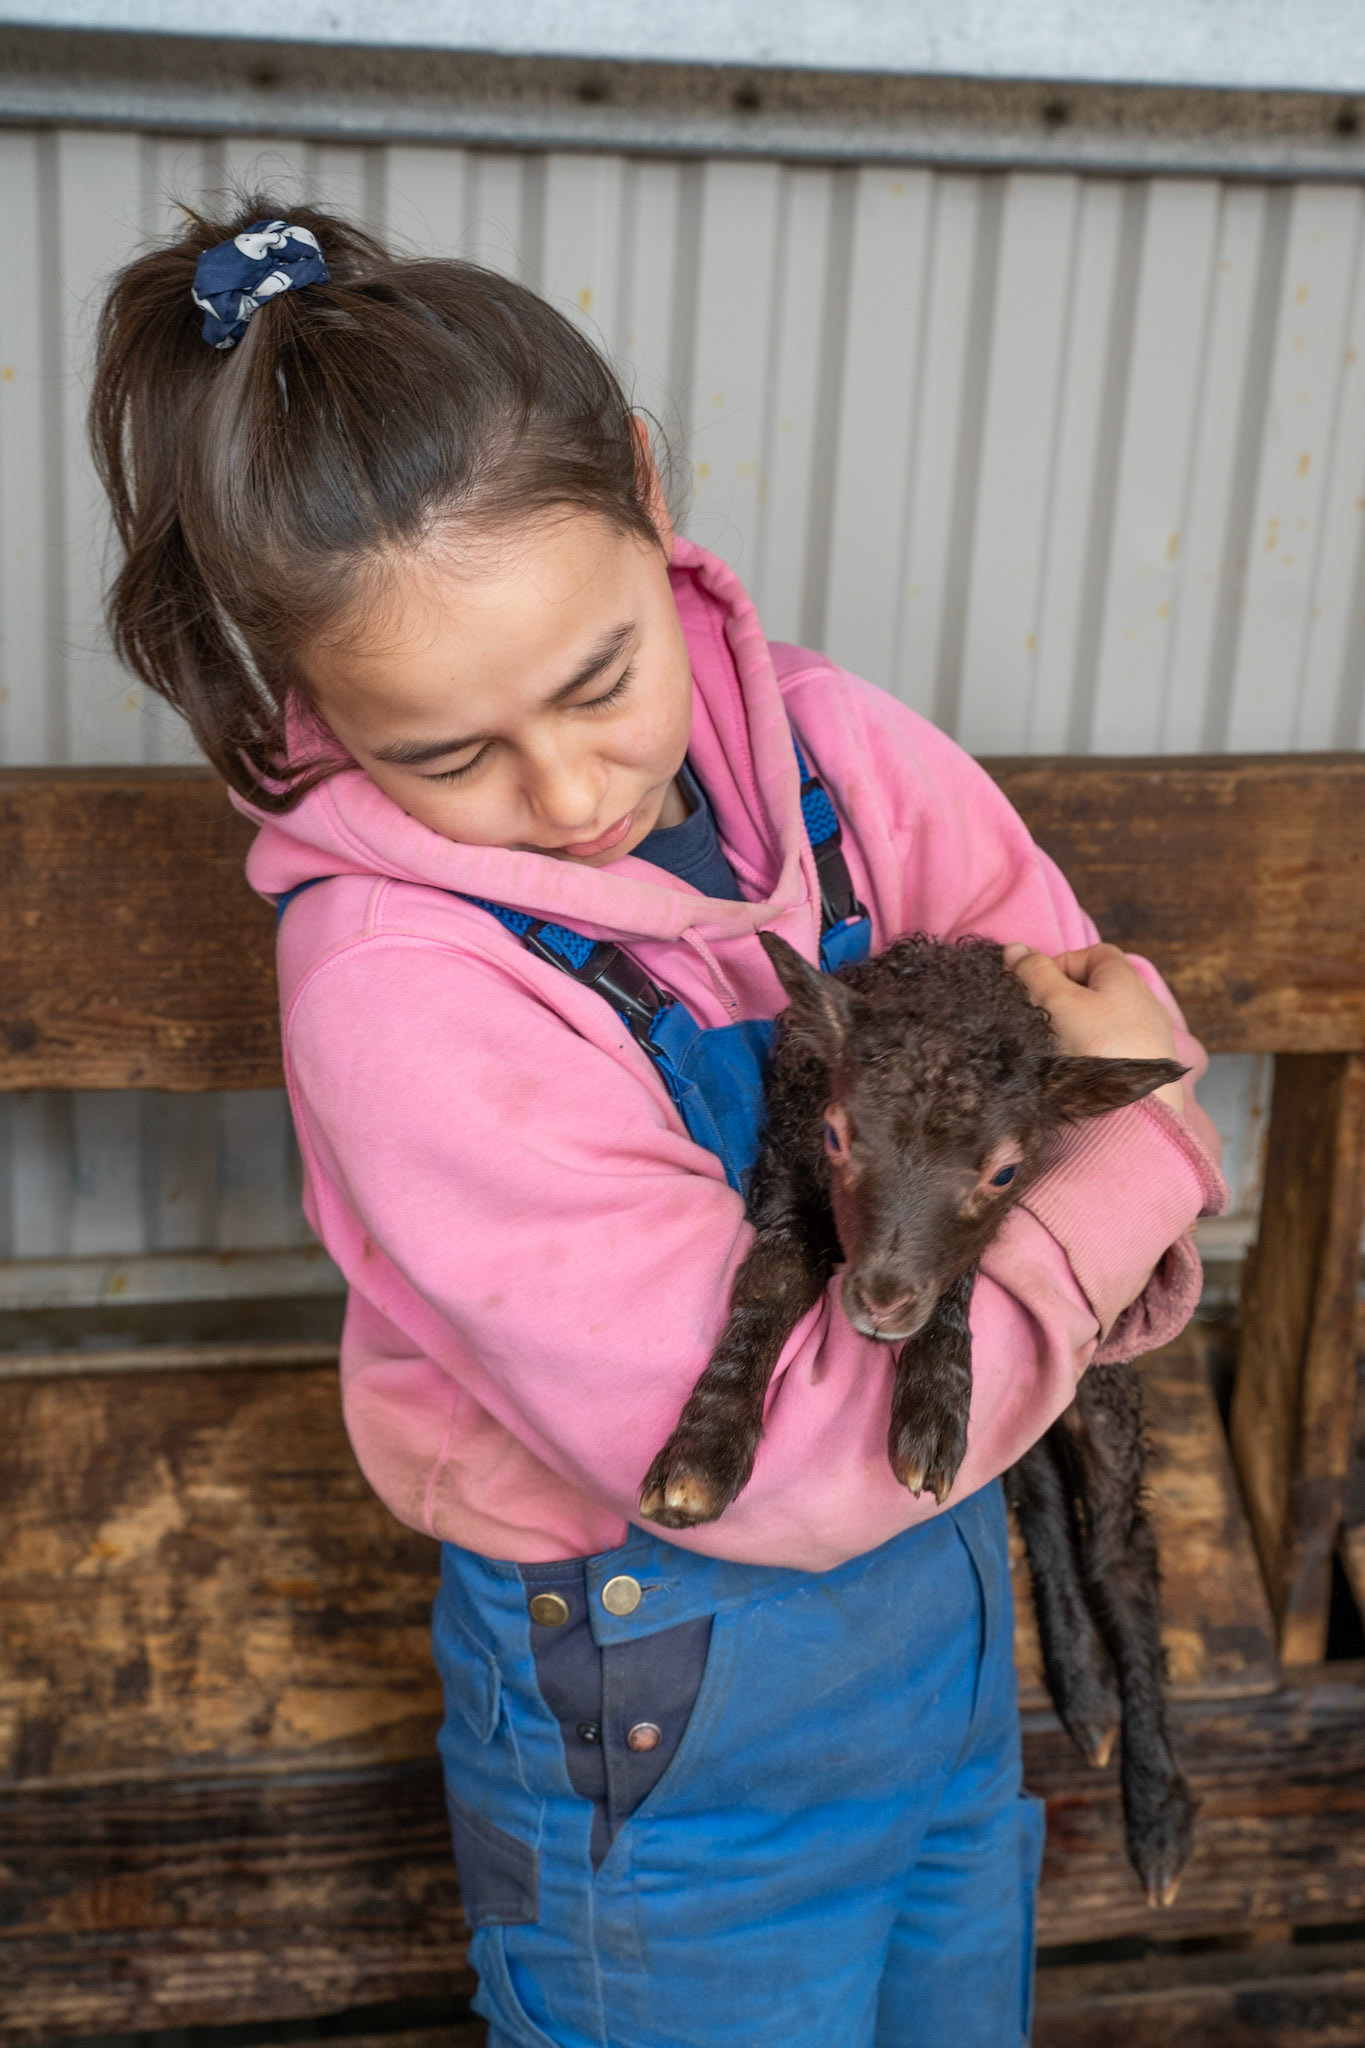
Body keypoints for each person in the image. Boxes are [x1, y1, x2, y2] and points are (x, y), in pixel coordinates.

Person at [89, 199, 1226, 2048]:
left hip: (944, 1646)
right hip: (674, 1728)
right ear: (314, 701)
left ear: (643, 486)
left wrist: (1113, 1124)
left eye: (601, 678)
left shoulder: (845, 761)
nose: (566, 793)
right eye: (444, 756)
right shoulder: (403, 993)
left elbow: (1079, 1035)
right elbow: (794, 1452)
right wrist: (1141, 1163)